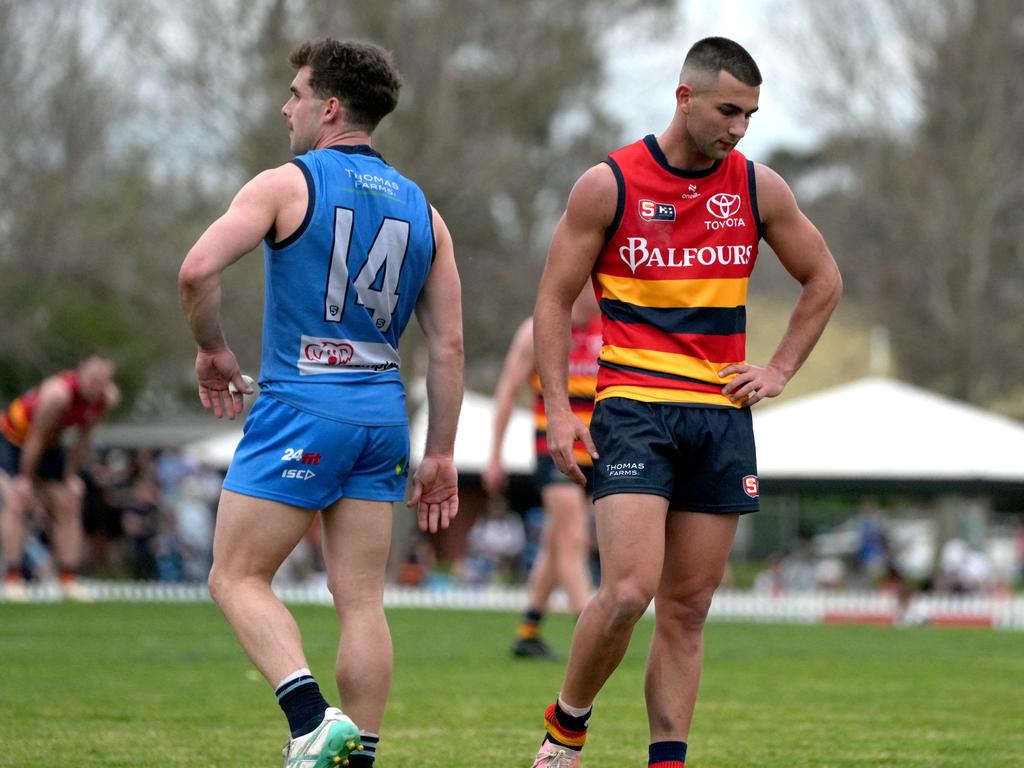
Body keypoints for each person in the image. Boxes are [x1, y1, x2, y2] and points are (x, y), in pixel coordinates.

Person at [529, 37, 842, 768]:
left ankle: (667, 760)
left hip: (721, 416)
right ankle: (566, 729)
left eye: (750, 115)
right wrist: (559, 410)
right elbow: (551, 299)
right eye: (728, 109)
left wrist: (781, 369)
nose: (738, 128)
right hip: (634, 406)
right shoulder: (608, 184)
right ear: (685, 97)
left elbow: (824, 279)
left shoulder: (760, 187)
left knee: (688, 608)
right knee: (630, 590)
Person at [178, 38, 463, 768]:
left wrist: (213, 349)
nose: (286, 106)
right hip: (383, 418)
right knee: (361, 599)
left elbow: (197, 268)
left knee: (234, 575)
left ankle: (310, 720)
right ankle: (356, 758)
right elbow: (450, 348)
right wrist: (440, 454)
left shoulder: (286, 184)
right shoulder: (426, 212)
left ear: (329, 107)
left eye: (296, 93)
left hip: (304, 406)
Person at [482, 289, 601, 659]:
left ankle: (528, 632)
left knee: (556, 542)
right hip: (555, 451)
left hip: (597, 452)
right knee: (574, 538)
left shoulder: (611, 327)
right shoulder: (538, 330)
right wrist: (495, 457)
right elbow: (507, 393)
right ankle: (591, 633)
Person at [1, 353, 119, 601]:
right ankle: (13, 577)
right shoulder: (58, 395)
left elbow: (83, 438)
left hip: (49, 445)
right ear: (80, 374)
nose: (97, 387)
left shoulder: (106, 399)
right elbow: (35, 436)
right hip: (13, 440)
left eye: (103, 381)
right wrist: (24, 479)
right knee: (16, 502)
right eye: (93, 380)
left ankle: (67, 578)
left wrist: (70, 477)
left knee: (69, 502)